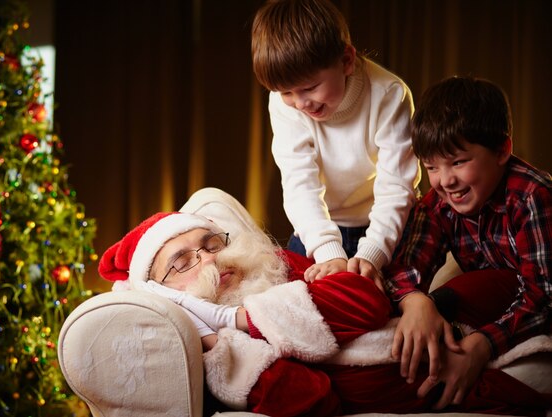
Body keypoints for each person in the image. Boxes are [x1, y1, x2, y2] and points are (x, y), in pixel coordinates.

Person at [99, 209, 550, 416]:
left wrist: (241, 316)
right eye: (183, 262)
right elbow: (316, 399)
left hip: (449, 314)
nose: (210, 261)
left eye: (210, 244)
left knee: (509, 288)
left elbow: (366, 300)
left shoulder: (276, 268)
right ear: (167, 296)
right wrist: (225, 334)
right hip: (418, 386)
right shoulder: (222, 355)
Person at [383, 76, 552, 410]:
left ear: (502, 150)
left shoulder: (533, 196)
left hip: (531, 304)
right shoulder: (438, 202)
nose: (446, 180)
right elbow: (406, 265)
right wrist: (415, 301)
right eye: (431, 166)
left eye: (458, 162)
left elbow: (544, 295)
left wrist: (482, 345)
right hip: (496, 301)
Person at [251, 0, 421, 284]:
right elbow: (299, 184)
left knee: (395, 294)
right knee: (295, 294)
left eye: (310, 88)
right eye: (287, 92)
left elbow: (396, 187)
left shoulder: (389, 94)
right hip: (324, 225)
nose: (301, 103)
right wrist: (328, 251)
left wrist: (372, 253)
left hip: (388, 225)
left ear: (346, 61)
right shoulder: (286, 106)